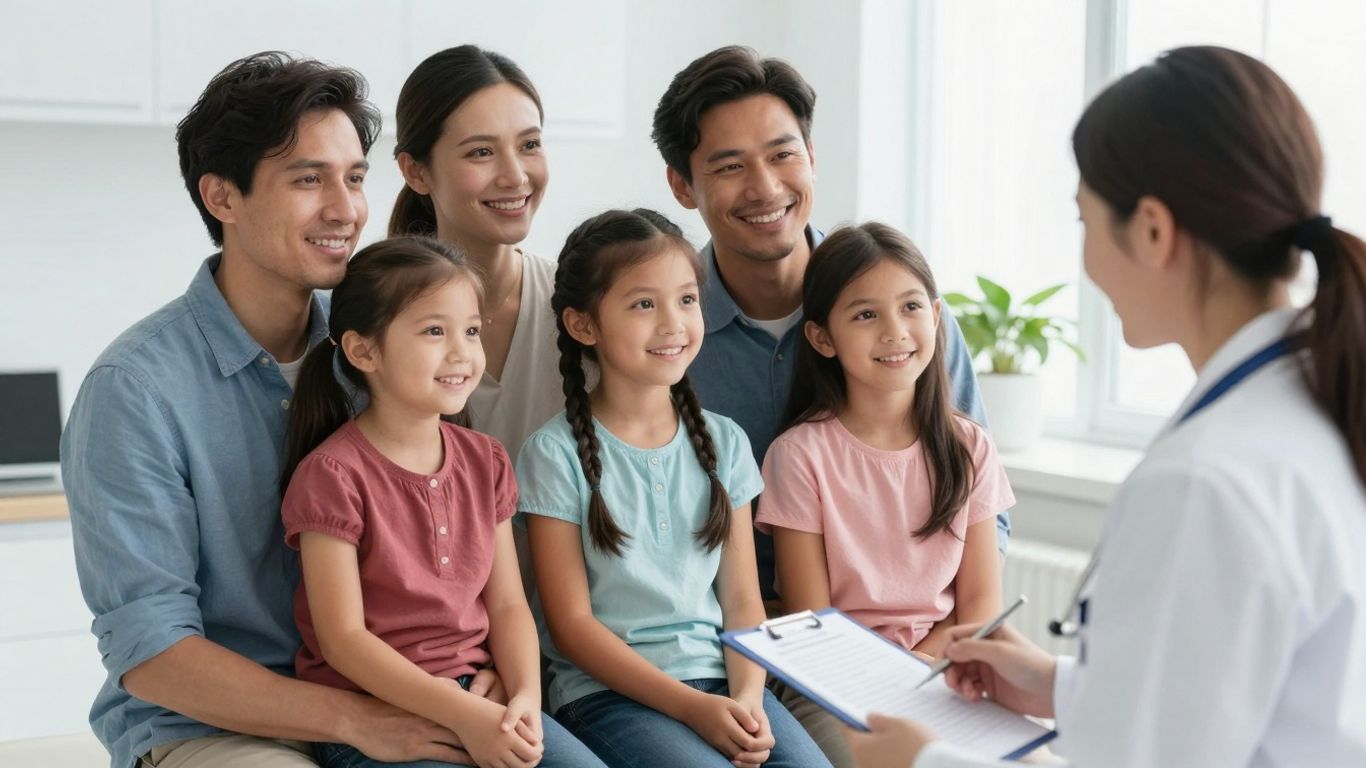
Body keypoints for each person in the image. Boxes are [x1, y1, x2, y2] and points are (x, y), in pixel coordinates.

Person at [845, 46, 1366, 768]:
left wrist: (919, 762)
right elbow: (1240, 700)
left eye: (1084, 219)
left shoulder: (1205, 482)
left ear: (1153, 230)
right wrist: (1059, 685)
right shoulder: (1321, 400)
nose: (1086, 258)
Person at [60, 53, 498, 768]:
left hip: (396, 693)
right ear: (222, 197)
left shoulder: (382, 347)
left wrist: (487, 671)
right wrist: (357, 720)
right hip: (217, 727)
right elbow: (153, 651)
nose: (346, 209)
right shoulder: (133, 389)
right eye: (307, 179)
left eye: (355, 177)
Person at [650, 46, 1010, 605]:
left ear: (812, 156)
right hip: (729, 637)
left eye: (782, 155)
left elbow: (981, 518)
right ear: (682, 186)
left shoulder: (911, 323)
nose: (765, 187)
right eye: (729, 166)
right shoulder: (661, 335)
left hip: (917, 644)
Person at [515, 209, 833, 768]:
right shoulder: (553, 453)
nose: (673, 323)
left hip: (723, 679)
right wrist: (692, 709)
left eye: (686, 300)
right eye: (644, 304)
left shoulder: (726, 442)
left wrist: (748, 700)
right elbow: (572, 627)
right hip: (607, 696)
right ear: (583, 325)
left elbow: (741, 600)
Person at [278, 236, 605, 768]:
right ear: (364, 350)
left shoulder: (487, 460)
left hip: (478, 694)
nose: (462, 352)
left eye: (471, 331)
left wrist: (524, 697)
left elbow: (507, 604)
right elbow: (343, 639)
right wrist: (459, 713)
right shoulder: (331, 476)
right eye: (435, 331)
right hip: (376, 711)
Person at [757, 223, 1012, 768]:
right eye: (866, 315)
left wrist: (921, 665)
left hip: (940, 669)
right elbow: (812, 616)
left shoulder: (970, 448)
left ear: (937, 318)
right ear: (823, 338)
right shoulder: (799, 455)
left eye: (911, 307)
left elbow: (980, 605)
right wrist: (894, 679)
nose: (895, 331)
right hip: (832, 681)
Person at [390, 45, 557, 461]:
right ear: (416, 171)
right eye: (481, 152)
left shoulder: (583, 300)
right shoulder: (377, 315)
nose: (515, 176)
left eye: (530, 144)